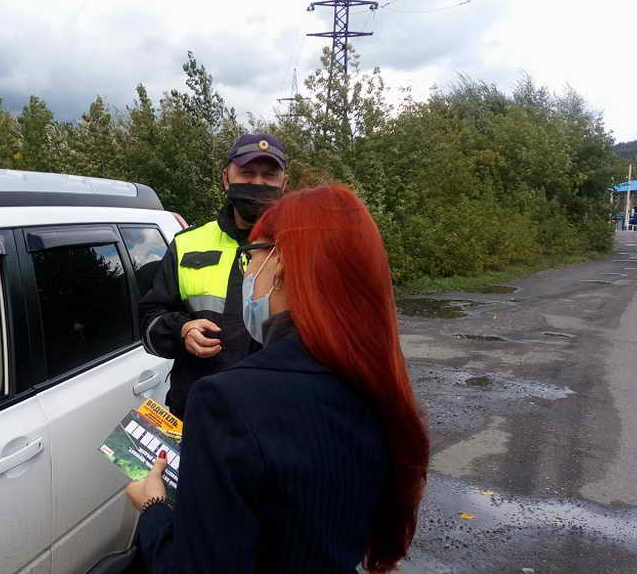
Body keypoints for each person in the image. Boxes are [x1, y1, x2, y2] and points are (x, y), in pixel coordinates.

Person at [126, 185, 430, 573]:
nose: (247, 273)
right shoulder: (377, 380)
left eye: (249, 257)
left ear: (281, 262)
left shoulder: (227, 401)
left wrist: (153, 508)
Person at [138, 133, 289, 418]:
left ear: (284, 184)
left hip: (275, 418)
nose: (257, 183)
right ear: (225, 178)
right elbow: (149, 319)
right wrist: (182, 330)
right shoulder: (187, 243)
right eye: (246, 173)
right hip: (199, 412)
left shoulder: (305, 247)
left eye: (268, 175)